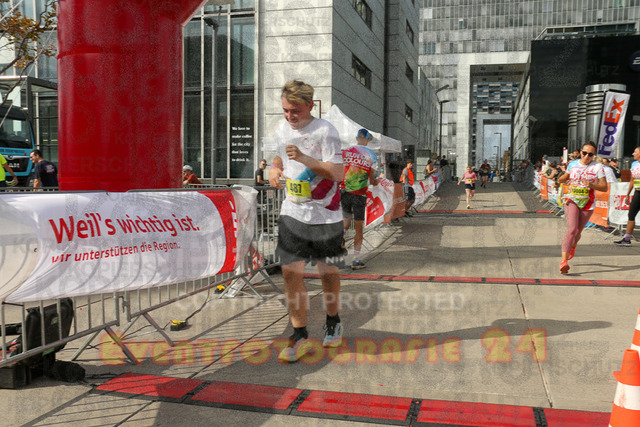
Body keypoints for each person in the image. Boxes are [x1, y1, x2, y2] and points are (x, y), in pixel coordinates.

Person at [268, 80, 345, 363]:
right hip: (293, 211)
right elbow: (279, 156)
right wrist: (274, 168)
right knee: (290, 273)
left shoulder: (326, 130)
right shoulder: (281, 129)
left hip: (326, 214)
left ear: (310, 105)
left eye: (296, 110)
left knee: (328, 273)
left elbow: (337, 173)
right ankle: (299, 335)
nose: (290, 116)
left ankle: (333, 321)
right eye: (286, 110)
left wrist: (304, 158)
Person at [557, 142, 607, 273]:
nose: (586, 157)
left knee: (578, 232)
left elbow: (604, 187)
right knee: (572, 229)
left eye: (590, 154)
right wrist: (561, 180)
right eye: (584, 153)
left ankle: (573, 246)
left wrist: (591, 185)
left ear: (593, 155)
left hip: (588, 202)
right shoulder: (573, 164)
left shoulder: (598, 167)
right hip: (572, 199)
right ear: (580, 152)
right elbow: (563, 178)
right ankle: (563, 262)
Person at [341, 128, 378, 270]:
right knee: (358, 228)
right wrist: (376, 182)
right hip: (359, 194)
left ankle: (340, 241)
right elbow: (372, 179)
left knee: (345, 220)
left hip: (344, 191)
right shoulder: (371, 155)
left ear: (357, 138)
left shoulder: (346, 151)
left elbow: (339, 168)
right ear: (367, 140)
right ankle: (355, 260)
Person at [614, 147, 640, 247]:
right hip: (637, 193)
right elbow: (632, 181)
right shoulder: (635, 165)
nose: (633, 154)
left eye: (635, 152)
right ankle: (627, 239)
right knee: (631, 214)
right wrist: (628, 194)